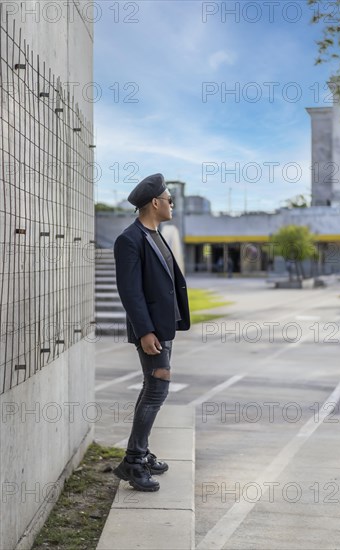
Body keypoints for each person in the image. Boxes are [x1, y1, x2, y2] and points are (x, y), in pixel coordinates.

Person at [113, 173, 190, 492]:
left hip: (163, 327)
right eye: (169, 199)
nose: (173, 204)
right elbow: (130, 292)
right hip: (151, 331)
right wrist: (144, 331)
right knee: (157, 388)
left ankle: (140, 454)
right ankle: (133, 461)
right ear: (155, 202)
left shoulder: (156, 234)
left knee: (152, 387)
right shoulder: (129, 240)